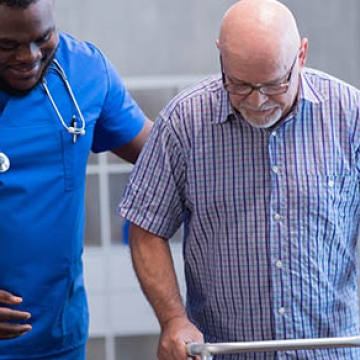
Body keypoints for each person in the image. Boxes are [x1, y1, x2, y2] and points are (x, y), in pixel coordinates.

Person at [119, 0, 360, 359]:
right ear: (221, 58)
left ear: (302, 55)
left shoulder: (350, 115)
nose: (258, 101)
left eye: (275, 83)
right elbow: (146, 227)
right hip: (226, 351)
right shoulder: (184, 123)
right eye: (241, 85)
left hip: (333, 349)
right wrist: (173, 319)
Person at [0, 0, 152, 359]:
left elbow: (164, 159)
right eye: (8, 45)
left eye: (43, 37)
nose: (29, 56)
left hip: (56, 338)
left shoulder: (85, 71)